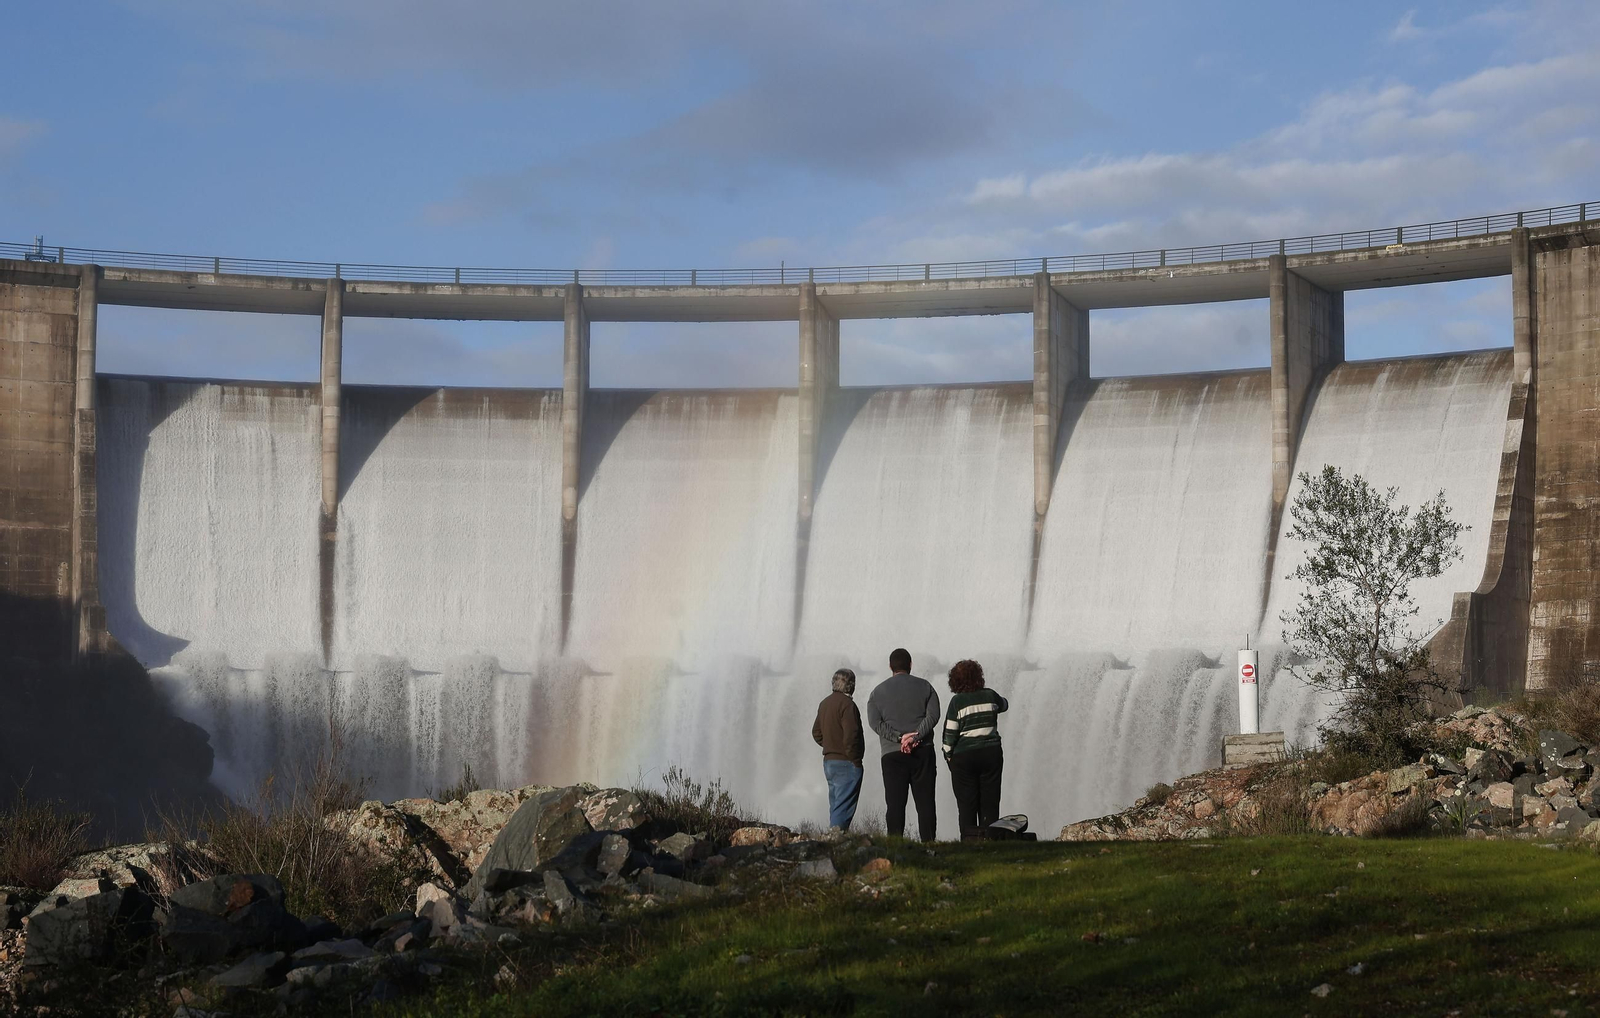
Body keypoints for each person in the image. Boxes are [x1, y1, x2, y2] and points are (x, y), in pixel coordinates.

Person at [866, 648, 941, 841]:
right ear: (910, 665)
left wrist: (899, 738)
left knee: (895, 804)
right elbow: (933, 716)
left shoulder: (876, 693)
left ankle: (895, 845)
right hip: (922, 752)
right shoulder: (926, 687)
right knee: (925, 803)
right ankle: (929, 845)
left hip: (892, 756)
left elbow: (875, 723)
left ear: (890, 666)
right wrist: (915, 737)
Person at [941, 658, 1008, 833]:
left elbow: (949, 736)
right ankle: (991, 841)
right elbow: (1004, 705)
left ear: (955, 681)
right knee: (990, 802)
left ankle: (969, 842)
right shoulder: (990, 695)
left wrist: (949, 757)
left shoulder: (957, 702)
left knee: (966, 804)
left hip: (965, 758)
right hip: (991, 754)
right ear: (979, 677)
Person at [811, 668, 865, 831]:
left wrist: (830, 746)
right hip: (846, 762)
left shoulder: (825, 703)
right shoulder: (848, 705)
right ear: (851, 686)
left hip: (829, 762)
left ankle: (834, 839)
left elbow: (816, 732)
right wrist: (854, 759)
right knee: (843, 808)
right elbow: (851, 735)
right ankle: (837, 842)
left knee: (836, 804)